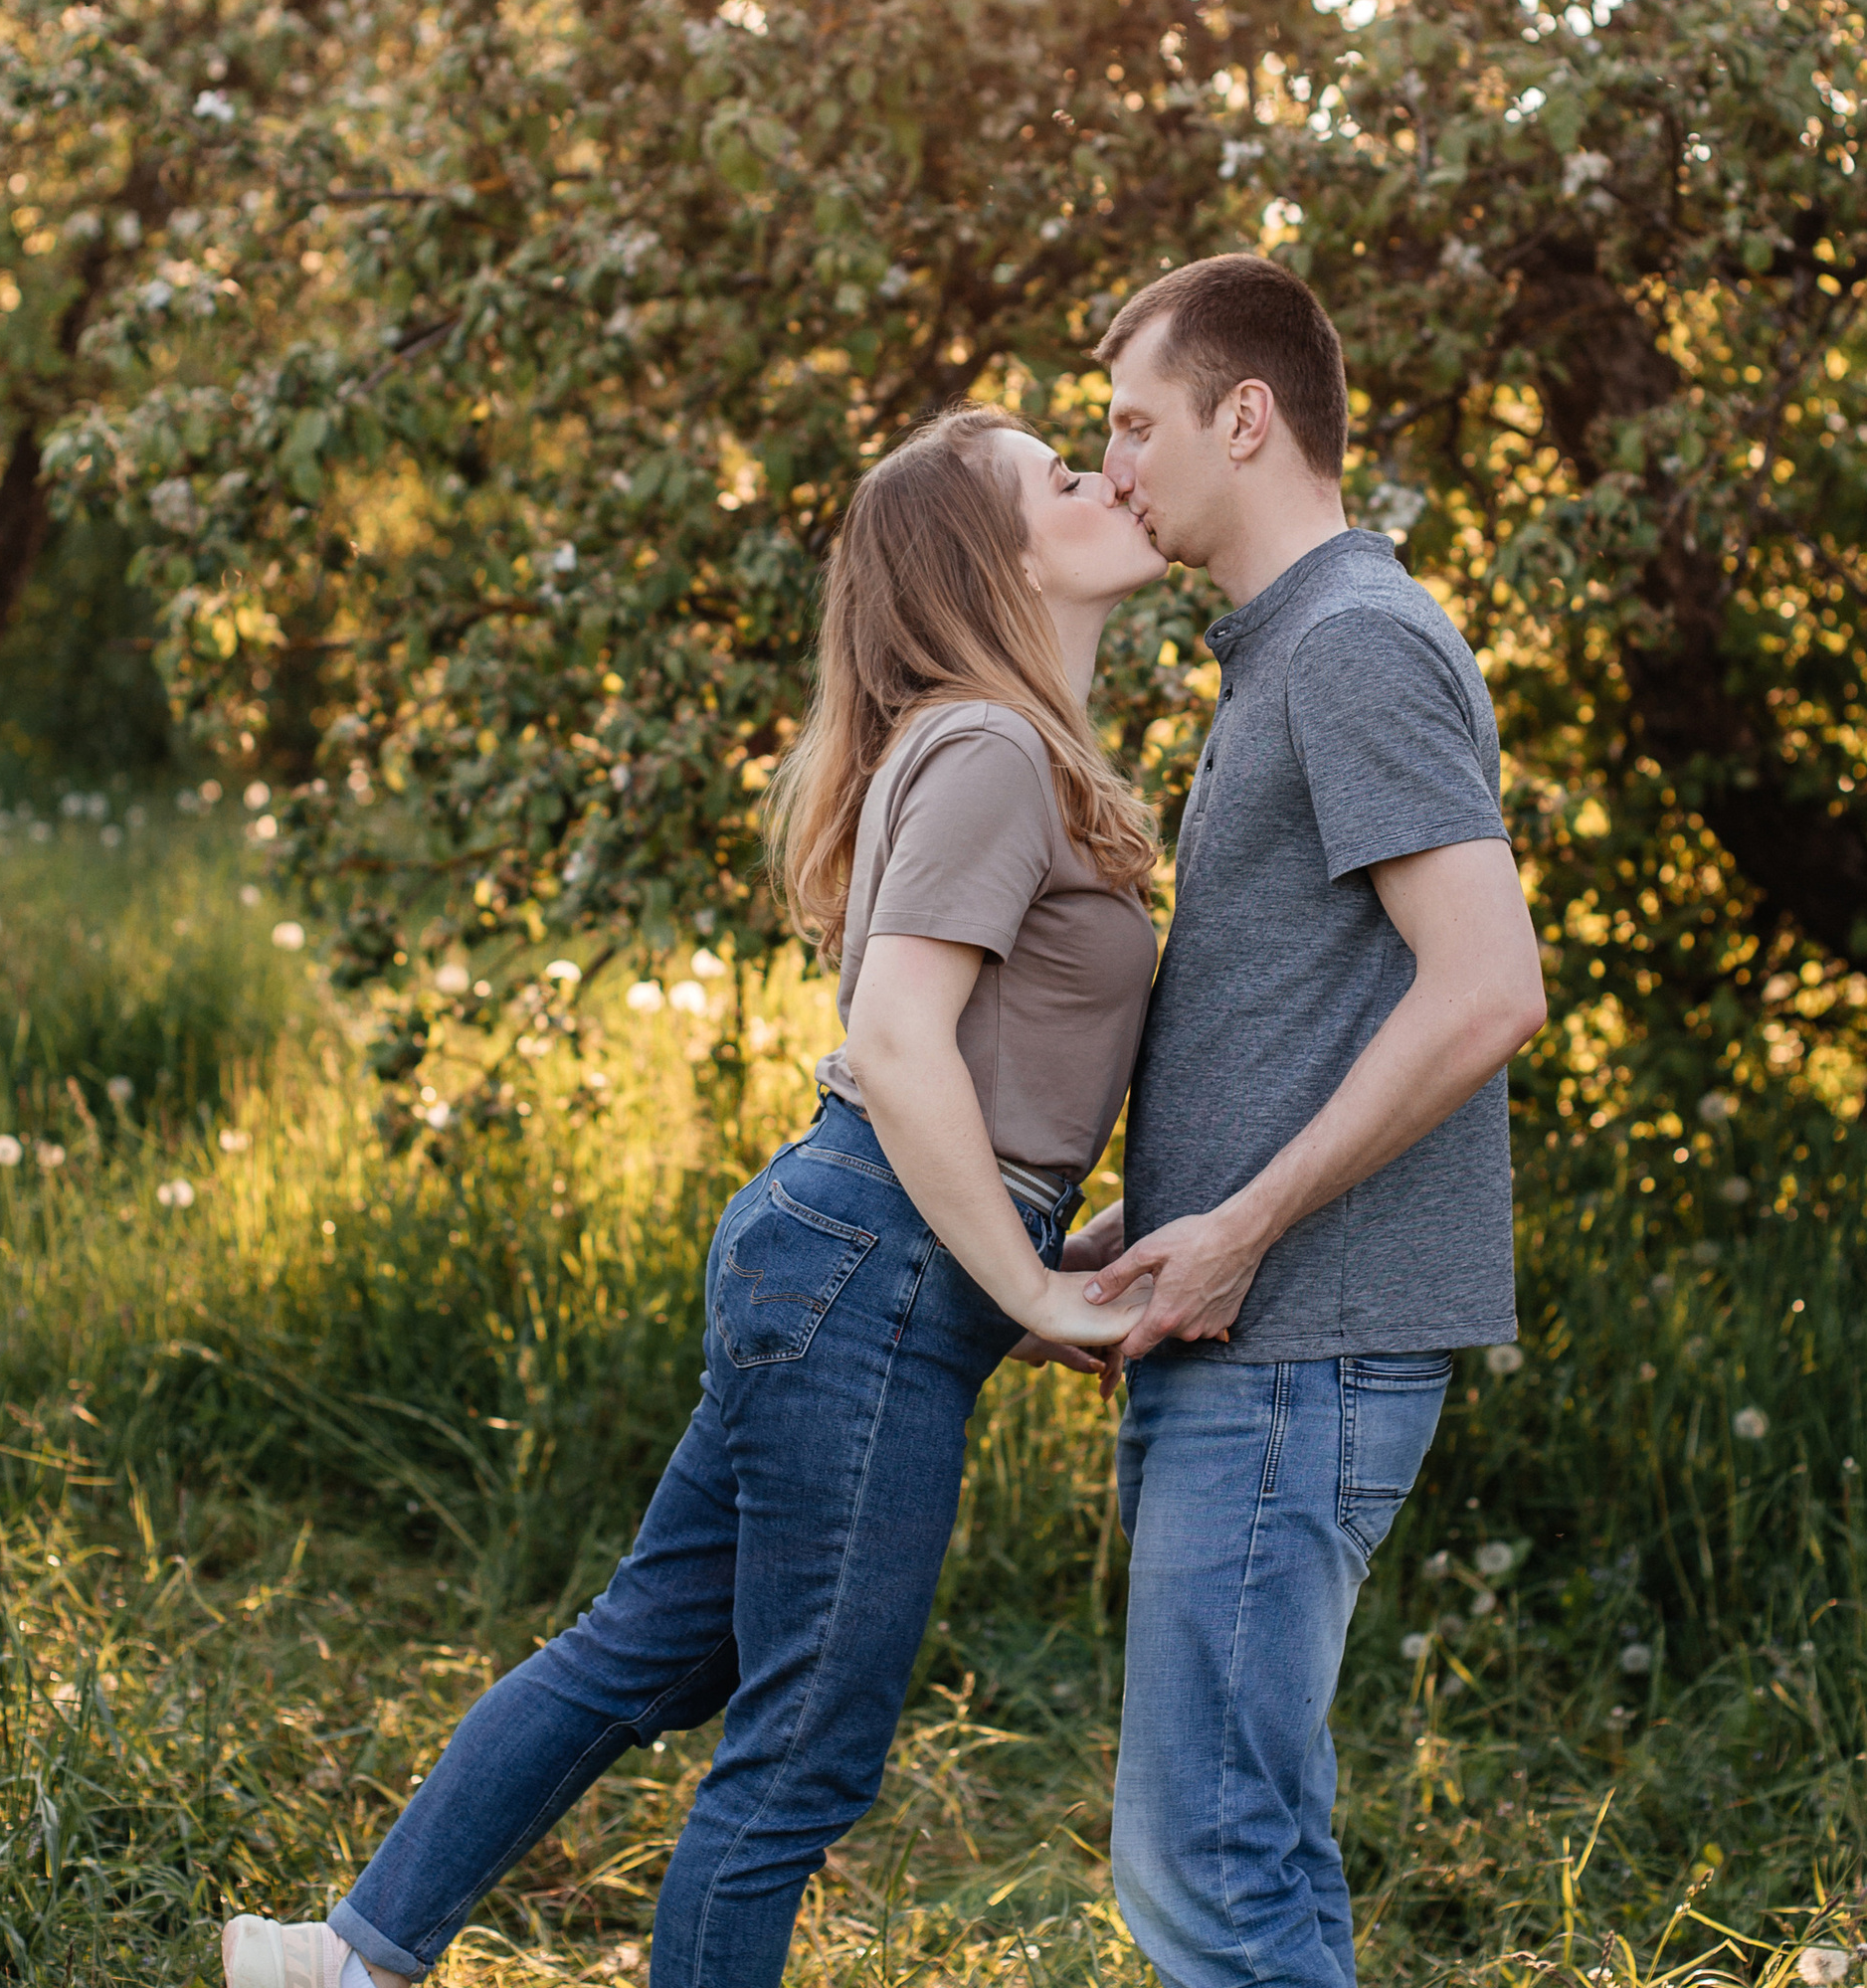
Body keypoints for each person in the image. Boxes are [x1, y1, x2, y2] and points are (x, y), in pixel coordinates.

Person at [220, 403, 1167, 1988]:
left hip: (856, 1249)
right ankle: (349, 1959)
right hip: (866, 1254)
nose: (1100, 479)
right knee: (799, 1759)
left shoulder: (1001, 749)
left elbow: (963, 1074)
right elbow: (897, 1040)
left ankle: (344, 1960)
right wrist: (1026, 1285)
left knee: (652, 1651)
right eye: (1055, 476)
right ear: (989, 560)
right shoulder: (993, 748)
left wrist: (1032, 1255)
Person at [1073, 252, 1548, 1988]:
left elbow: (1487, 987)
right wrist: (1173, 1203)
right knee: (1228, 1836)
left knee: (1212, 1858)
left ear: (1245, 415)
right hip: (1260, 1335)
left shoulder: (1353, 643)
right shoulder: (1289, 652)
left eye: (1135, 424)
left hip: (1305, 1347)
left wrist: (1252, 1222)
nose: (1115, 465)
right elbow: (1325, 1000)